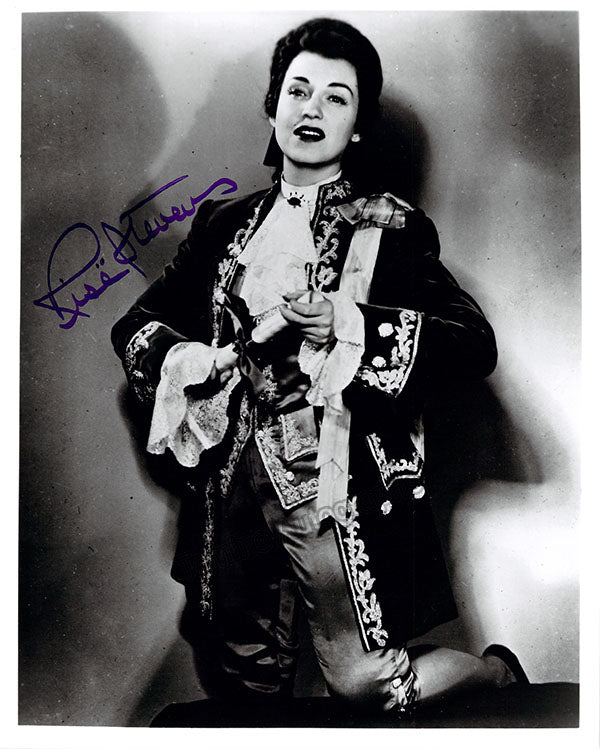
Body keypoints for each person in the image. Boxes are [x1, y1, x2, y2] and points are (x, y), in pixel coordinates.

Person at [112, 17, 528, 717]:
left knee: (368, 685)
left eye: (337, 98)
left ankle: (494, 673)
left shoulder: (389, 229)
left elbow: (472, 342)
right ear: (272, 106)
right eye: (299, 91)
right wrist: (190, 357)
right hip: (229, 487)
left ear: (358, 126)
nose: (312, 110)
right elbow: (135, 326)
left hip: (328, 482)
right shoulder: (221, 226)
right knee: (242, 679)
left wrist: (349, 324)